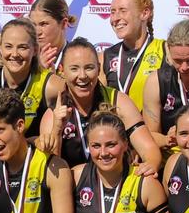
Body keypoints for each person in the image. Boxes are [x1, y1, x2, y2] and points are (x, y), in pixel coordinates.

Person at [36, 39, 160, 171]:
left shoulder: (117, 101)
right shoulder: (52, 114)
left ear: (99, 68)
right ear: (62, 71)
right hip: (73, 185)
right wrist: (57, 129)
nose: (82, 76)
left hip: (116, 184)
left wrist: (150, 166)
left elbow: (150, 149)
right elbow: (52, 172)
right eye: (74, 69)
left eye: (89, 68)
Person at [0, 18, 62, 135]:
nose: (14, 54)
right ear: (0, 48)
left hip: (28, 151)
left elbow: (77, 96)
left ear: (35, 50)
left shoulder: (47, 83)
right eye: (8, 46)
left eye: (22, 47)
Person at [100, 0, 166, 109]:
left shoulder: (165, 50)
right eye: (113, 12)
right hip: (115, 126)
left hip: (150, 126)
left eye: (123, 11)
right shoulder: (104, 57)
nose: (115, 18)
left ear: (145, 13)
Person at [29, 0, 75, 73]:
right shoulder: (25, 60)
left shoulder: (77, 58)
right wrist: (38, 72)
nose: (37, 32)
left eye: (43, 24)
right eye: (33, 24)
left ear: (64, 24)